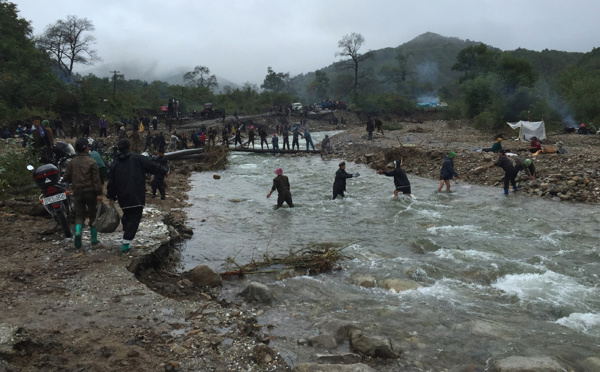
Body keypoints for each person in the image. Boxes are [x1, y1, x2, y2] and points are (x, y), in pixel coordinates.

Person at [107, 139, 167, 253]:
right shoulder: (137, 158)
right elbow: (152, 165)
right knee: (134, 218)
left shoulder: (115, 162)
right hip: (136, 194)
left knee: (127, 214)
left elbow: (111, 181)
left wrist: (111, 196)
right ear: (130, 147)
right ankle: (126, 243)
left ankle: (126, 233)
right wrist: (163, 170)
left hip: (122, 195)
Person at [63, 138, 103, 248]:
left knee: (79, 215)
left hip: (77, 192)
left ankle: (77, 233)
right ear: (86, 148)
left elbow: (66, 177)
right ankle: (94, 239)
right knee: (93, 215)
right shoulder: (92, 162)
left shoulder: (71, 163)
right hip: (91, 192)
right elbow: (96, 180)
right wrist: (99, 193)